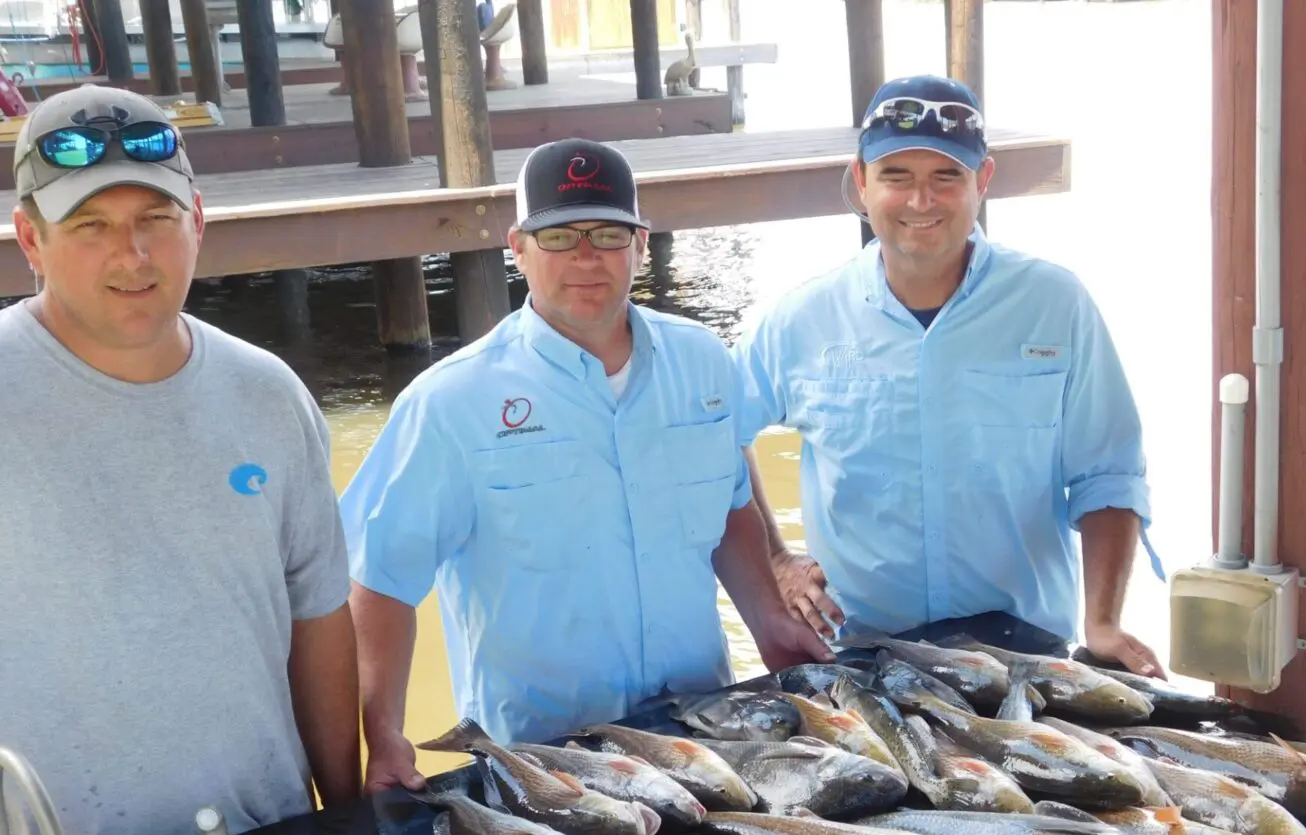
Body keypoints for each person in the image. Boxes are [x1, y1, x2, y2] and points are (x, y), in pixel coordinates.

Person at [0, 85, 360, 835]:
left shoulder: (269, 393)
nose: (133, 253)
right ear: (29, 238)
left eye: (157, 216)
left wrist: (348, 818)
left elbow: (319, 617)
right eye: (90, 224)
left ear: (199, 221)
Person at [340, 137, 832, 778]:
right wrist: (384, 735)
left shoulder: (704, 361)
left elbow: (730, 507)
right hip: (545, 760)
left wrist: (768, 619)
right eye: (559, 237)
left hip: (702, 732)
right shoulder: (449, 401)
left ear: (641, 244)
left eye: (607, 235)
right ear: (516, 247)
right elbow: (378, 581)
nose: (586, 258)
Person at [732, 74, 1165, 676]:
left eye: (946, 177)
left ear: (982, 181)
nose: (920, 201)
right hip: (862, 652)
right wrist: (776, 561)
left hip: (1027, 652)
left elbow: (1109, 473)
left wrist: (1104, 622)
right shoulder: (802, 318)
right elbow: (718, 430)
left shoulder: (1055, 305)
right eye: (896, 177)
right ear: (861, 181)